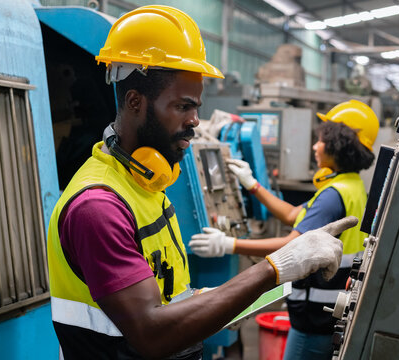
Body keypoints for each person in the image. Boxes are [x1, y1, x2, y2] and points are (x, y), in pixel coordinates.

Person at [46, 5, 358, 360]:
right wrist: (275, 268)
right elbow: (150, 333)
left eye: (197, 107)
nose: (196, 120)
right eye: (183, 106)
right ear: (135, 101)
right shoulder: (98, 207)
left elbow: (167, 297)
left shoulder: (147, 186)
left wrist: (213, 302)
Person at [189, 99, 378, 360]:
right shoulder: (350, 186)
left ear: (336, 145)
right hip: (330, 311)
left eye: (320, 140)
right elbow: (293, 215)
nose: (315, 146)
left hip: (313, 320)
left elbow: (293, 244)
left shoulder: (332, 196)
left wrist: (228, 244)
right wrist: (252, 184)